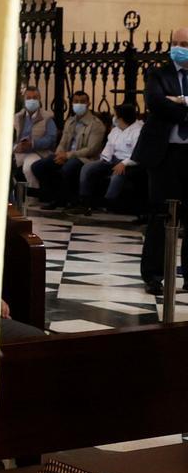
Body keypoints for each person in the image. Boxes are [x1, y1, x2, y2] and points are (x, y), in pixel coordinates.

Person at [134, 28, 188, 295]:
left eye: (185, 44)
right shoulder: (158, 73)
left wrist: (179, 101)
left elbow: (169, 107)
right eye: (175, 43)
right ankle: (153, 275)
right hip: (164, 154)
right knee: (159, 215)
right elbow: (156, 103)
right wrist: (185, 112)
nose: (179, 48)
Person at [31, 91, 106, 210]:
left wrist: (68, 155)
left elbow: (92, 149)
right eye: (76, 101)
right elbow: (63, 142)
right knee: (38, 166)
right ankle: (55, 197)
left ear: (88, 104)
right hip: (65, 155)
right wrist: (59, 154)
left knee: (68, 167)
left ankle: (69, 200)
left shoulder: (96, 124)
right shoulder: (70, 121)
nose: (79, 104)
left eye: (82, 102)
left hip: (85, 159)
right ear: (72, 103)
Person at [76, 103, 143, 214]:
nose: (114, 118)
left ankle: (108, 203)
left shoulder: (138, 131)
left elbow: (137, 154)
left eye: (115, 115)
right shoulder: (116, 130)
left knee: (117, 176)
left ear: (121, 118)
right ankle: (84, 201)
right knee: (87, 168)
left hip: (130, 163)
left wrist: (124, 164)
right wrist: (103, 161)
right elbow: (109, 147)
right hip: (112, 160)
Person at [13, 85, 57, 189]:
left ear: (39, 99)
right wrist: (15, 147)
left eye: (34, 98)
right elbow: (7, 137)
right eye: (28, 98)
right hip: (19, 151)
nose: (31, 100)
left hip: (37, 152)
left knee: (28, 168)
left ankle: (33, 198)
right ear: (24, 100)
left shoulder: (47, 117)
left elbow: (51, 139)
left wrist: (33, 143)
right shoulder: (17, 117)